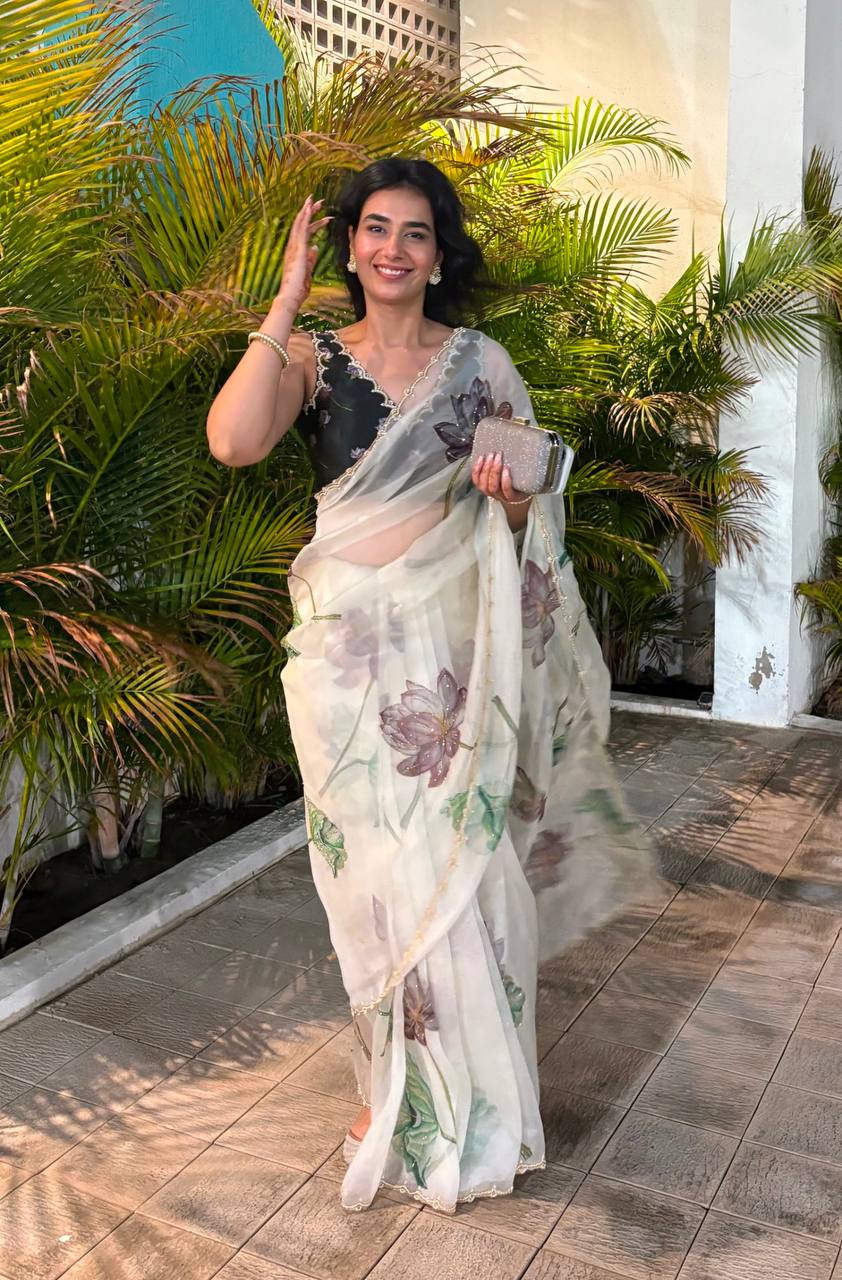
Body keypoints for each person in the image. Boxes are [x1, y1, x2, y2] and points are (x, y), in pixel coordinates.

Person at [207, 157, 655, 1214]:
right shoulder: (312, 358)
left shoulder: (482, 362)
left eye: (414, 232)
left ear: (439, 253)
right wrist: (284, 299)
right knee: (372, 888)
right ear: (348, 245)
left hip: (450, 669)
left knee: (463, 871)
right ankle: (393, 1091)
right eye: (374, 228)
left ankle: (475, 1109)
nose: (393, 249)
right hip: (346, 665)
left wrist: (507, 499)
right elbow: (233, 441)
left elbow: (530, 510)